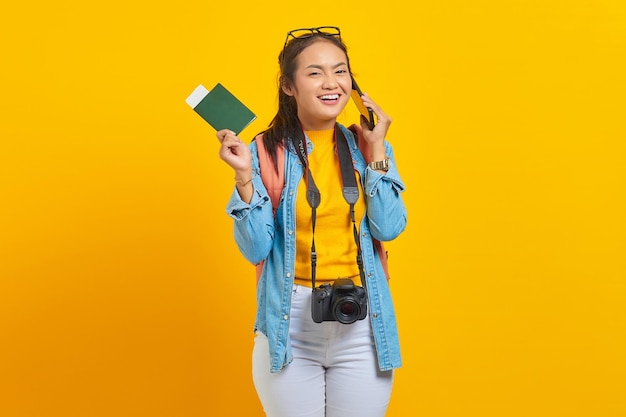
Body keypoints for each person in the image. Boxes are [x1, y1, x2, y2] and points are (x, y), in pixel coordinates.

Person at [216, 26, 407, 417]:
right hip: (289, 324)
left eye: (340, 71)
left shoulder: (367, 146)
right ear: (289, 86)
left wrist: (376, 153)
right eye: (315, 72)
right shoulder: (264, 151)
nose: (331, 83)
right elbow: (254, 249)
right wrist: (243, 178)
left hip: (361, 321)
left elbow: (388, 228)